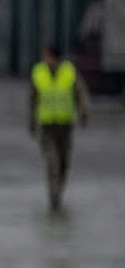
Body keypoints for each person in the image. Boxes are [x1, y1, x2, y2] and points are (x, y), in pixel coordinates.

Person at [31, 44, 91, 212]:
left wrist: (84, 112)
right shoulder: (39, 73)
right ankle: (54, 196)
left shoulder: (69, 72)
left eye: (47, 56)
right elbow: (32, 99)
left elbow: (81, 93)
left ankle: (58, 191)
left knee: (64, 162)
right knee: (52, 163)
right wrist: (31, 121)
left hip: (65, 127)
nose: (45, 59)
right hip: (47, 127)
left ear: (54, 57)